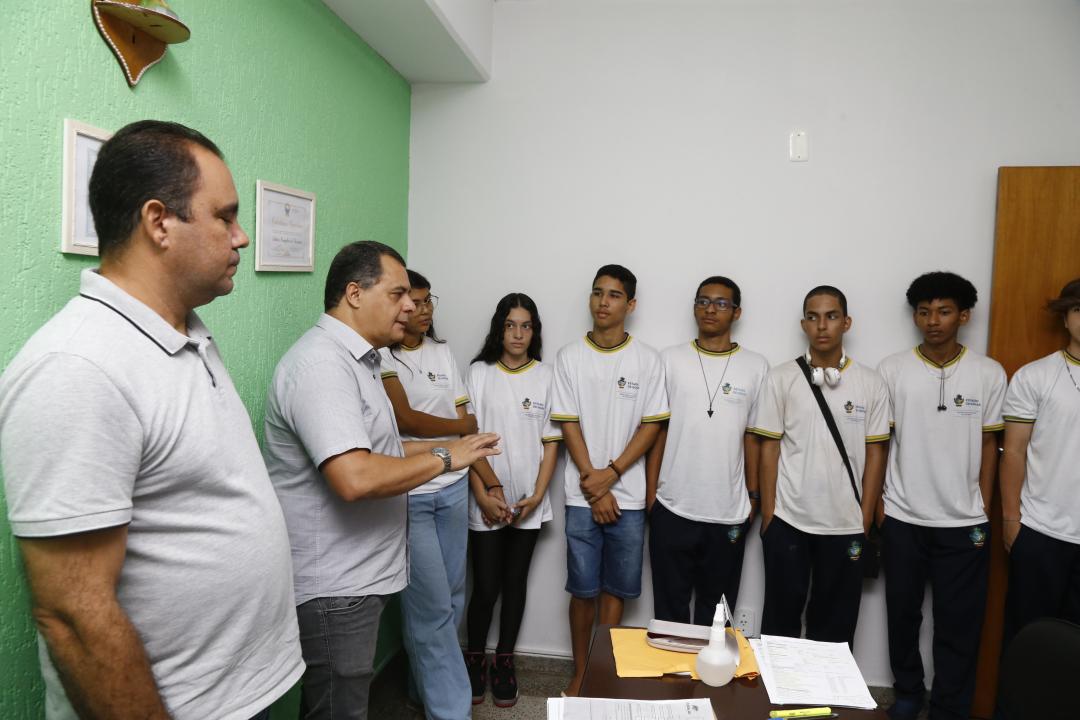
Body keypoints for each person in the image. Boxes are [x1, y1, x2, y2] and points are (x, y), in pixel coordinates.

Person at [0, 120, 303, 720]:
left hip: (236, 696)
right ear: (159, 222)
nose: (241, 237)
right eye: (225, 217)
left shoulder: (185, 332)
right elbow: (72, 614)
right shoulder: (77, 366)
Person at [262, 242, 500, 720]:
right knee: (339, 709)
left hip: (357, 579)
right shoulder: (322, 366)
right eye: (397, 295)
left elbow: (378, 450)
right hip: (336, 587)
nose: (411, 307)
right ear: (354, 294)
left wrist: (455, 450)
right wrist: (445, 457)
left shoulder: (360, 360)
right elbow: (355, 476)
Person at [877, 271, 1006, 720]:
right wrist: (881, 507)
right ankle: (908, 693)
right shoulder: (892, 370)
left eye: (944, 311)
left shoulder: (988, 373)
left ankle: (950, 706)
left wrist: (983, 505)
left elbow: (989, 444)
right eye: (924, 311)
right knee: (902, 616)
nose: (933, 321)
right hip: (903, 516)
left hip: (964, 522)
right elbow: (881, 443)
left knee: (959, 623)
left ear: (963, 316)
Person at [551, 264, 669, 697]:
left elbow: (651, 427)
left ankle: (601, 676)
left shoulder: (647, 360)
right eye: (598, 292)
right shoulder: (569, 357)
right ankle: (580, 674)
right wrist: (593, 482)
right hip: (582, 495)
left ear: (630, 304)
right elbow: (569, 425)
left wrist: (612, 474)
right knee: (583, 591)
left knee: (615, 591)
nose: (604, 302)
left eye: (614, 295)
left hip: (629, 497)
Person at [750, 285, 889, 647]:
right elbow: (769, 448)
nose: (822, 326)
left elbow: (876, 452)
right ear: (804, 324)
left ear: (846, 322)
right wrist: (770, 514)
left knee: (834, 631)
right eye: (813, 317)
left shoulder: (871, 382)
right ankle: (776, 685)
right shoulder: (781, 377)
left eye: (831, 316)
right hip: (789, 519)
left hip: (845, 523)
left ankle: (827, 688)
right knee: (779, 625)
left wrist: (864, 516)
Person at [380, 270, 481, 720]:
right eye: (413, 301)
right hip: (413, 489)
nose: (422, 309)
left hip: (453, 486)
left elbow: (466, 418)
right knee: (430, 603)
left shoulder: (442, 352)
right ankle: (451, 710)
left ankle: (424, 689)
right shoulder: (383, 356)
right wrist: (459, 429)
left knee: (454, 594)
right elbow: (407, 419)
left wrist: (466, 439)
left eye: (427, 301)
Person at [645, 275, 769, 624]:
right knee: (668, 614)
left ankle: (710, 666)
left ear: (737, 312)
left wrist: (753, 497)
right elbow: (658, 430)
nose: (710, 309)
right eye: (703, 301)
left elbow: (753, 438)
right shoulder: (670, 359)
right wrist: (652, 496)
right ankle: (671, 665)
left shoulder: (756, 366)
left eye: (721, 303)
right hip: (672, 506)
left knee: (717, 619)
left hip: (728, 512)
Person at [462, 293, 562, 708]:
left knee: (514, 584)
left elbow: (552, 442)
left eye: (526, 326)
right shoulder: (478, 373)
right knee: (485, 586)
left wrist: (538, 495)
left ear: (534, 331)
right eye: (510, 325)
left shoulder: (547, 376)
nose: (518, 334)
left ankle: (504, 660)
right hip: (484, 500)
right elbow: (467, 440)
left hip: (527, 502)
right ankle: (474, 659)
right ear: (498, 329)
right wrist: (482, 495)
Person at [1000, 278, 1080, 647]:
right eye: (1078, 310)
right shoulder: (1035, 376)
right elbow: (1014, 451)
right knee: (1027, 641)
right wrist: (1011, 520)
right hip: (1041, 531)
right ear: (1065, 318)